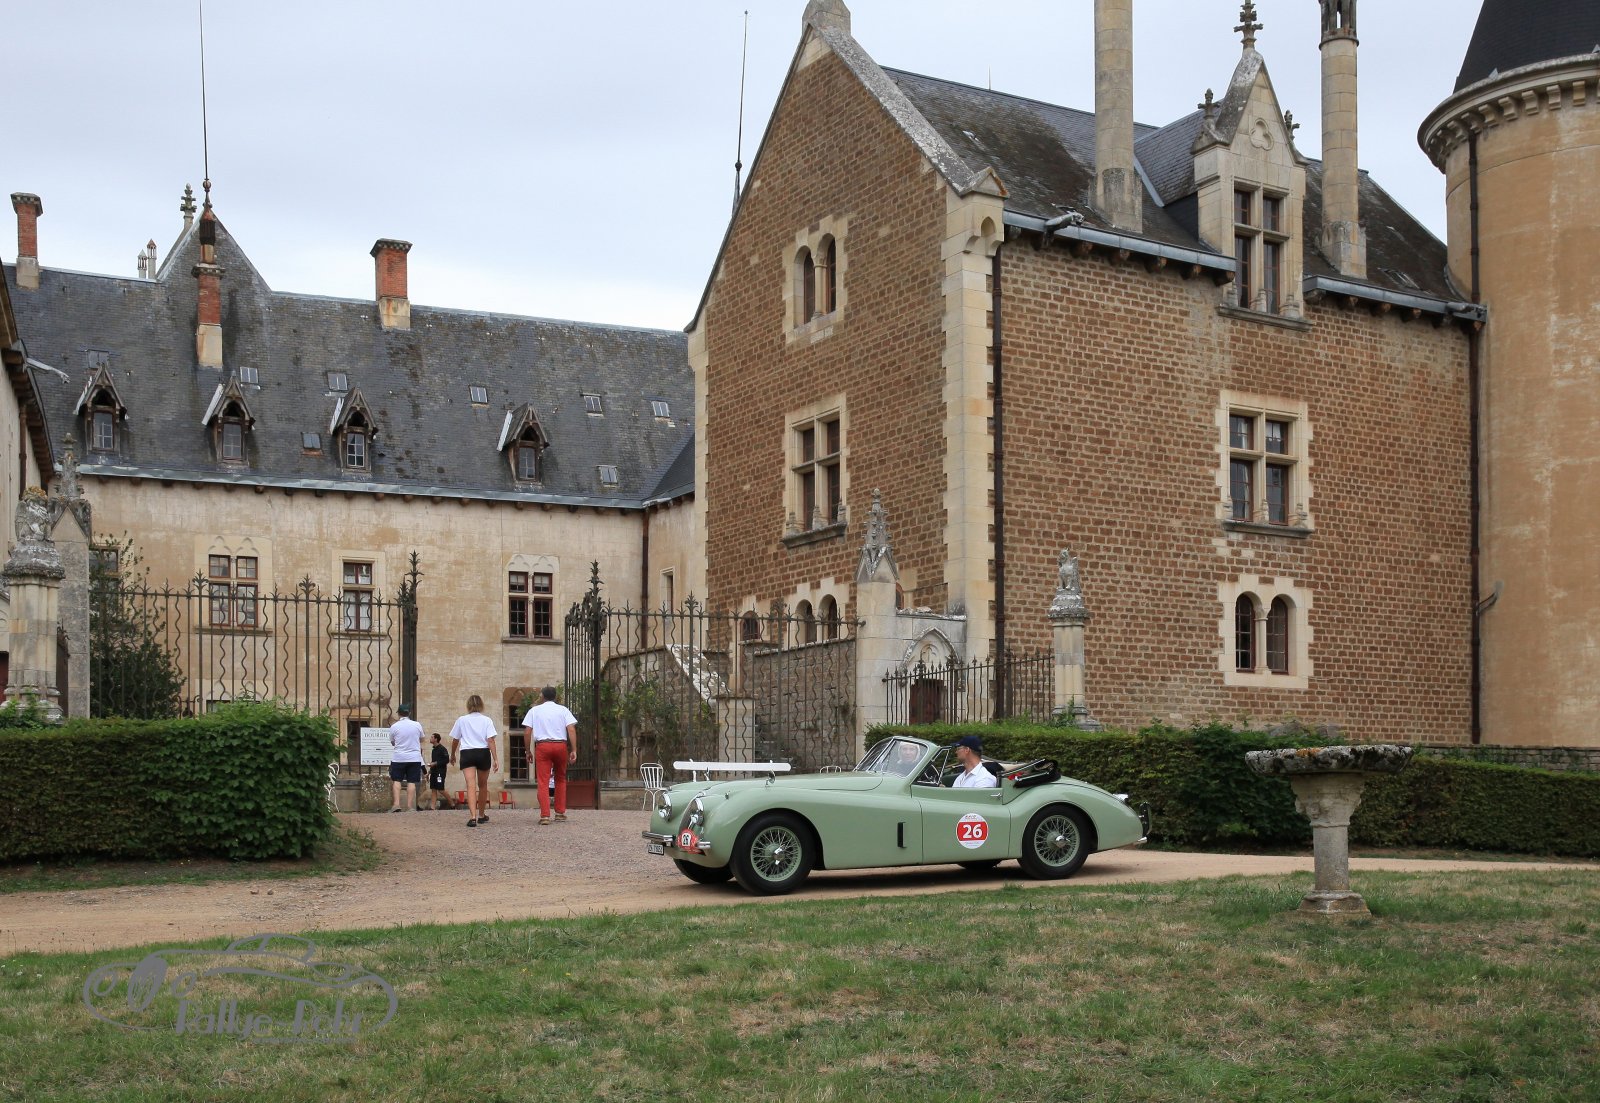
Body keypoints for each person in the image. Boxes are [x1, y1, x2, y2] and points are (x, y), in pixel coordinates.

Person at [522, 686, 578, 825]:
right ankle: (559, 813)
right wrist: (574, 749)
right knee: (560, 779)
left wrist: (528, 751)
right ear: (555, 696)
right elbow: (571, 729)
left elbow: (527, 732)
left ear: (542, 696)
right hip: (560, 745)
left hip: (543, 746)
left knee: (543, 781)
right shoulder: (563, 710)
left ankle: (545, 816)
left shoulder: (534, 710)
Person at [448, 694, 500, 827]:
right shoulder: (487, 720)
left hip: (467, 753)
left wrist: (452, 754)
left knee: (470, 785)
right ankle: (481, 815)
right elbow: (490, 740)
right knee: (482, 785)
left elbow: (455, 740)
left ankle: (472, 817)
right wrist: (495, 758)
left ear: (468, 705)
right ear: (481, 705)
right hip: (483, 752)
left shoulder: (462, 720)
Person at [387, 704, 425, 812]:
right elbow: (422, 739)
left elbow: (392, 742)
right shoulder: (417, 725)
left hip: (399, 757)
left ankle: (396, 804)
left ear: (399, 714)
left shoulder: (394, 726)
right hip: (414, 757)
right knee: (411, 781)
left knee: (396, 780)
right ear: (409, 713)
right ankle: (409, 806)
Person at [421, 733, 449, 810]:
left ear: (436, 739)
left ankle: (452, 803)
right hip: (433, 772)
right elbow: (432, 763)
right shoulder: (433, 750)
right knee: (433, 789)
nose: (430, 739)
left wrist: (435, 763)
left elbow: (446, 760)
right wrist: (428, 773)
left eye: (432, 737)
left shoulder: (442, 749)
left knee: (441, 789)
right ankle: (432, 807)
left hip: (440, 772)